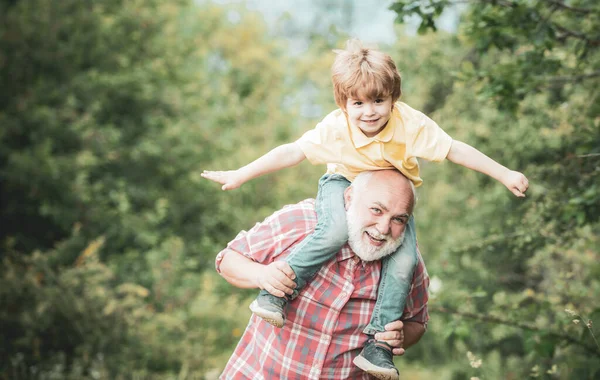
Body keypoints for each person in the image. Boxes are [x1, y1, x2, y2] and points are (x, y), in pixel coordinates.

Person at [203, 39, 529, 377]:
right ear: (344, 104)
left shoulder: (410, 125)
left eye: (378, 101)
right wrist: (242, 174)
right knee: (333, 230)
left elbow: (454, 150)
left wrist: (504, 174)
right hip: (342, 184)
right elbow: (292, 152)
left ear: (394, 98)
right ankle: (278, 295)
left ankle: (378, 345)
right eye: (358, 103)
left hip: (393, 191)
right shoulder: (335, 131)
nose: (369, 112)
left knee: (405, 258)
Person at [217, 170, 427, 380]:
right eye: (376, 210)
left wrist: (399, 337)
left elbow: (417, 322)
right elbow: (228, 259)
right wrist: (261, 275)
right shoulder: (302, 222)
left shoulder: (406, 263)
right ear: (349, 196)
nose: (383, 228)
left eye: (398, 219)